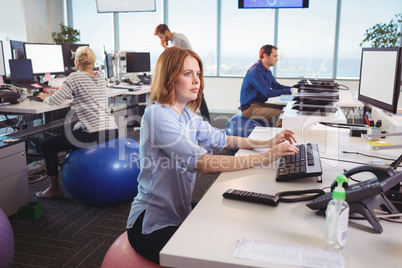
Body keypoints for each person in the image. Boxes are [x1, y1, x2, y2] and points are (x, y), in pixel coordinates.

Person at [126, 46, 299, 264]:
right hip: (151, 225)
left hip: (180, 211)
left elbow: (224, 139)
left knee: (237, 222)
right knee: (218, 254)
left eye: (198, 74)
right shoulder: (157, 115)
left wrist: (266, 143)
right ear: (169, 78)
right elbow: (203, 164)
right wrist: (265, 157)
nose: (196, 81)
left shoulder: (187, 115)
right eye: (187, 74)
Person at [36, 46, 119, 199]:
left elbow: (55, 100)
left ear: (78, 62)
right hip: (113, 131)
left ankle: (54, 189)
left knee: (48, 144)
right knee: (76, 129)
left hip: (95, 135)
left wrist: (44, 97)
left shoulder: (74, 77)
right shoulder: (100, 76)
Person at [154, 23, 210, 122]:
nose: (161, 40)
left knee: (198, 99)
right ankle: (204, 122)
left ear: (167, 32)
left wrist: (165, 47)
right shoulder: (178, 37)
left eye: (161, 37)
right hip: (190, 71)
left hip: (188, 72)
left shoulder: (177, 40)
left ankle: (202, 123)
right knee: (199, 98)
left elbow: (174, 60)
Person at [240, 44, 295, 125]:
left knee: (287, 109)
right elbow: (267, 92)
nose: (277, 59)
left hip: (260, 105)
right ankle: (279, 137)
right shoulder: (255, 71)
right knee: (284, 116)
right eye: (274, 56)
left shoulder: (267, 71)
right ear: (265, 56)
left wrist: (294, 89)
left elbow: (277, 86)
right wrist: (290, 91)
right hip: (250, 109)